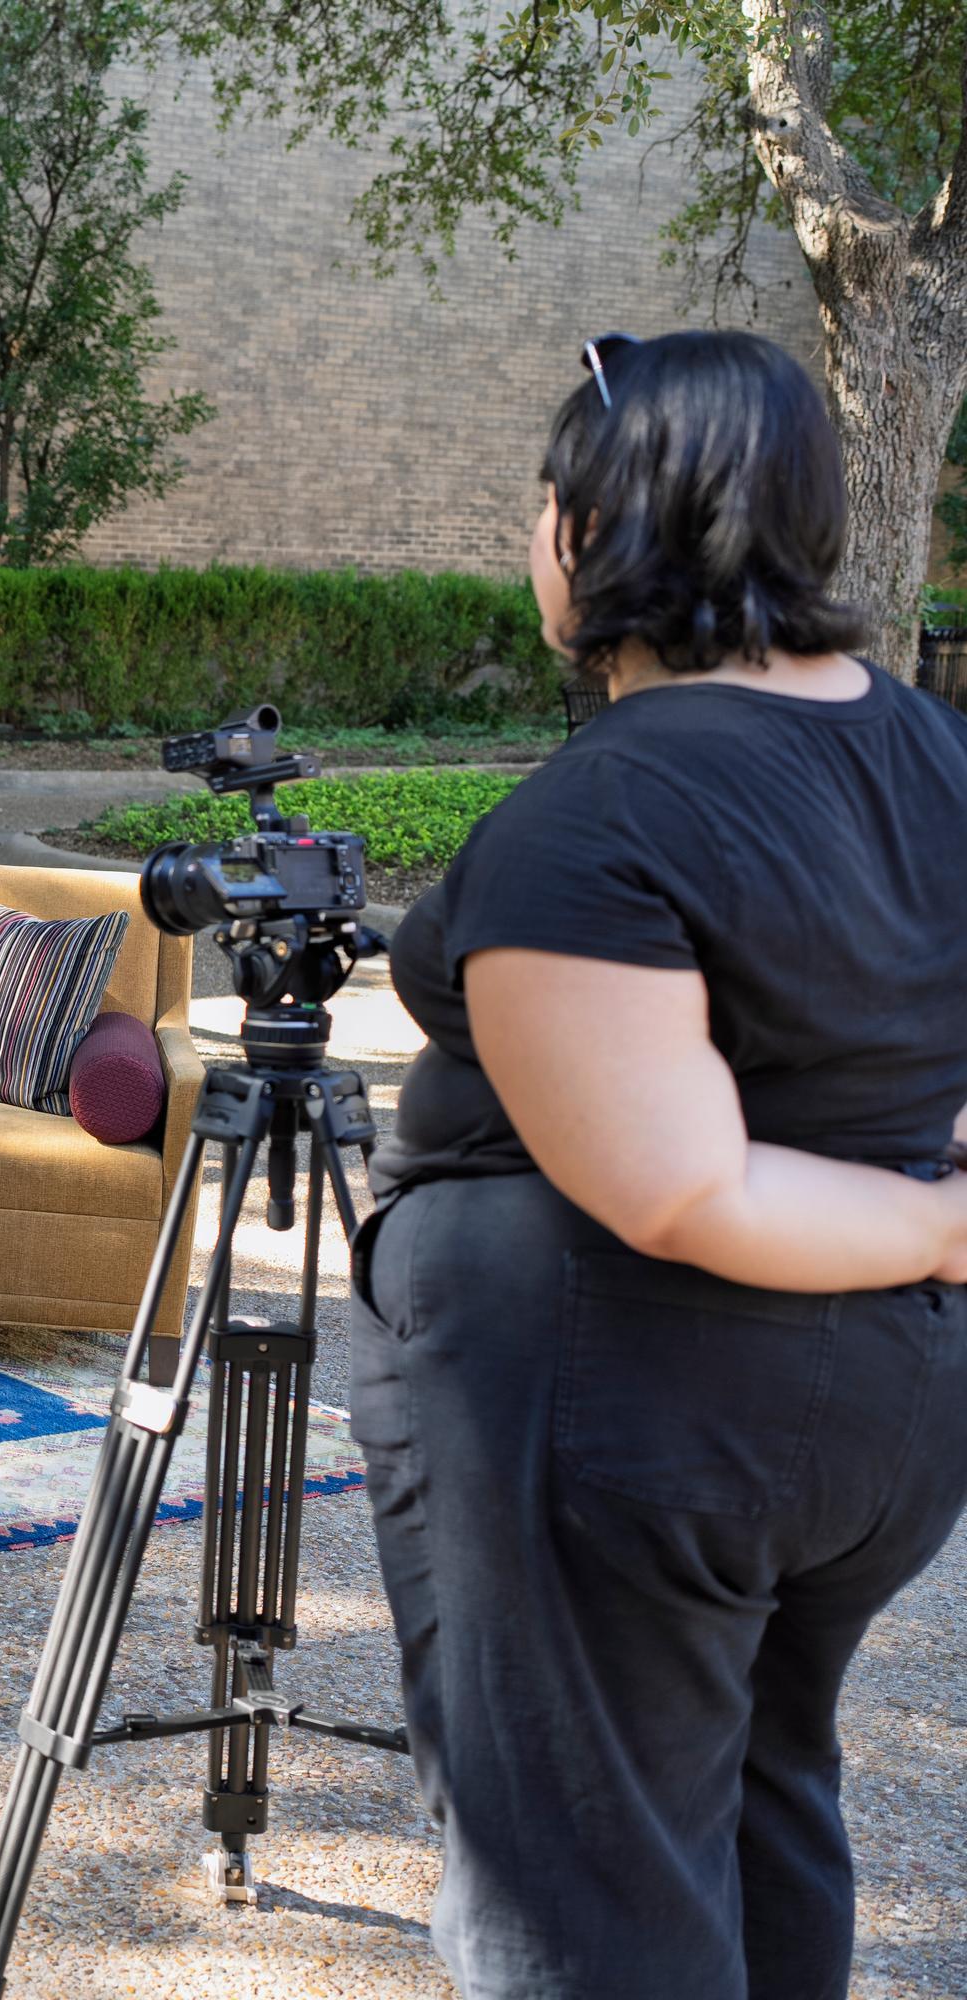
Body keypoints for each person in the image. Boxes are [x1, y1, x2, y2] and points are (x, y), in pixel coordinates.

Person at [351, 328, 967, 2000]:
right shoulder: (934, 753)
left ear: (595, 526)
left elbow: (676, 1188)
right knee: (763, 1796)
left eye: (540, 504)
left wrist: (938, 1221)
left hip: (632, 1409)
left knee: (587, 1885)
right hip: (879, 1420)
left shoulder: (605, 812)